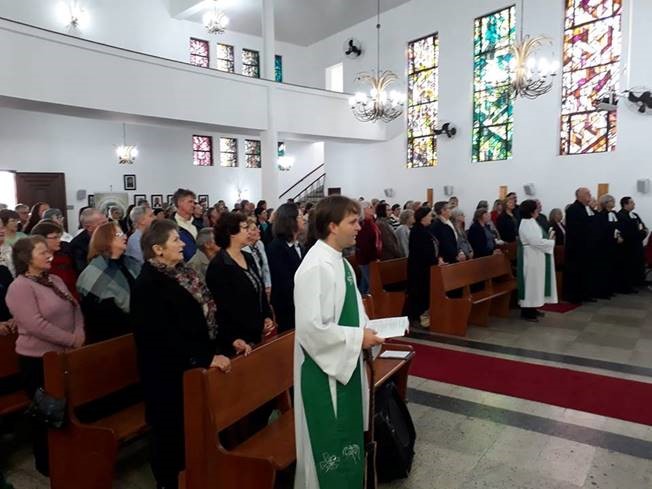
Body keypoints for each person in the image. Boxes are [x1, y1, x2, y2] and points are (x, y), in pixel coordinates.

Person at [130, 220, 231, 489]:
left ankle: (197, 474)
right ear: (158, 249)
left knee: (194, 428)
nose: (183, 243)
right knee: (171, 432)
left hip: (193, 364)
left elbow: (205, 315)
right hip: (168, 374)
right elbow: (161, 336)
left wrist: (221, 345)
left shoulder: (183, 273)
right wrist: (203, 358)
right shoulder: (148, 285)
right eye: (176, 240)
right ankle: (170, 481)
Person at [293, 195, 384, 489]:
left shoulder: (341, 263)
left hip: (343, 364)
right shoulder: (315, 267)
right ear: (332, 226)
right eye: (353, 222)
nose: (360, 227)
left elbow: (355, 313)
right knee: (327, 450)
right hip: (323, 373)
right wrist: (360, 338)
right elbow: (311, 330)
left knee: (347, 442)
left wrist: (371, 331)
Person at [6, 236, 84, 476]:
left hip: (64, 357)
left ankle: (67, 454)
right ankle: (47, 462)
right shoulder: (19, 287)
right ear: (26, 258)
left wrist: (79, 333)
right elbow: (35, 324)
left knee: (68, 409)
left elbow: (75, 307)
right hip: (38, 361)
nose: (50, 254)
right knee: (46, 415)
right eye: (42, 252)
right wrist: (71, 340)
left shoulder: (54, 279)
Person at [206, 212, 274, 357]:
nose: (248, 231)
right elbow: (221, 308)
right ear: (232, 233)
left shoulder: (248, 257)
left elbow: (259, 289)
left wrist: (266, 316)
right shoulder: (219, 266)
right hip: (237, 340)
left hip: (256, 332)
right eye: (244, 228)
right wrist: (232, 338)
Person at [76, 222, 141, 344]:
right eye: (119, 234)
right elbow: (99, 314)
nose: (125, 236)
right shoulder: (95, 271)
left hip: (138, 327)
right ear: (106, 239)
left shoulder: (130, 263)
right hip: (112, 335)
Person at [266, 203, 304, 333]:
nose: (303, 218)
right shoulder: (276, 248)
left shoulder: (299, 245)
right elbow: (284, 283)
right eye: (299, 216)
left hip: (301, 303)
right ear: (290, 221)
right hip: (288, 306)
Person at [517, 200, 557, 322]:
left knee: (536, 283)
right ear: (531, 211)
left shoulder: (531, 221)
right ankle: (527, 312)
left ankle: (533, 308)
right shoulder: (526, 223)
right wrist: (550, 241)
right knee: (531, 284)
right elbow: (535, 241)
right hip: (530, 256)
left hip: (536, 256)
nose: (538, 210)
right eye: (536, 208)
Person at [406, 206, 441, 328]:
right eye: (430, 215)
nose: (431, 218)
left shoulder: (426, 229)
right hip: (419, 268)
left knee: (424, 292)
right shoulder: (417, 231)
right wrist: (436, 260)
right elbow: (423, 252)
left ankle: (424, 315)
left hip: (426, 267)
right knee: (418, 292)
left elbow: (432, 246)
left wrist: (437, 258)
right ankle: (416, 317)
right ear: (423, 217)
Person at [31, 220, 78, 300]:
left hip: (73, 295)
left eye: (59, 237)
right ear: (41, 239)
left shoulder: (66, 253)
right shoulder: (35, 261)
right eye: (55, 237)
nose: (59, 240)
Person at [564, 188, 596, 304]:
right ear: (579, 196)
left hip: (585, 247)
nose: (590, 195)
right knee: (575, 272)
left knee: (585, 272)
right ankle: (574, 296)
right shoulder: (573, 209)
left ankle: (584, 294)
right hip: (576, 248)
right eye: (587, 194)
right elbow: (576, 230)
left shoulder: (585, 209)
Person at [592, 194, 623, 298]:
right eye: (611, 201)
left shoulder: (614, 214)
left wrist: (619, 235)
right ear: (606, 203)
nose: (613, 202)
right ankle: (602, 291)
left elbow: (618, 226)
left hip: (614, 245)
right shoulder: (601, 215)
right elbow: (601, 230)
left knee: (613, 268)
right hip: (605, 246)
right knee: (604, 269)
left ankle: (611, 289)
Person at [618, 196, 648, 289]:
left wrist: (643, 232)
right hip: (628, 246)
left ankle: (638, 282)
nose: (634, 204)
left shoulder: (634, 215)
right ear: (625, 204)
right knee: (629, 265)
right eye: (631, 202)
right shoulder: (620, 215)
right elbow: (628, 231)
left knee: (639, 263)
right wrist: (639, 233)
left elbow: (642, 227)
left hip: (637, 244)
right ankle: (628, 284)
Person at [70, 208, 108, 274]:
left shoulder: (109, 236)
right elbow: (83, 270)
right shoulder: (78, 245)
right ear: (89, 227)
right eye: (103, 223)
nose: (108, 226)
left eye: (107, 222)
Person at [355, 202, 382, 294]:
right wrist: (373, 258)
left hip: (371, 258)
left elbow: (376, 238)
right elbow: (364, 244)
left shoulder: (370, 221)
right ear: (363, 210)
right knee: (373, 285)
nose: (373, 208)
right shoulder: (363, 224)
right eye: (370, 207)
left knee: (365, 283)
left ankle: (362, 300)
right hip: (366, 259)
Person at [243, 217, 272, 297]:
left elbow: (265, 266)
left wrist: (268, 286)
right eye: (254, 229)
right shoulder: (243, 249)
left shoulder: (260, 244)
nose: (258, 231)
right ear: (246, 232)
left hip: (263, 284)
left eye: (257, 228)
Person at [172, 188, 198, 262]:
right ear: (179, 203)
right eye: (190, 202)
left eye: (194, 202)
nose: (193, 205)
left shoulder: (199, 224)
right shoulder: (170, 226)